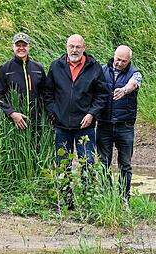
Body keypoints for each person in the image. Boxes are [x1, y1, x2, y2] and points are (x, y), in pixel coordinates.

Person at [44, 34, 109, 166]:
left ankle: (87, 187)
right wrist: (53, 112)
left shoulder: (94, 67)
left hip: (85, 125)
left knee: (87, 162)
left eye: (78, 47)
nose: (74, 50)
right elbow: (47, 93)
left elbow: (102, 95)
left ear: (84, 48)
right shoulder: (56, 66)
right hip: (61, 125)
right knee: (62, 163)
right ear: (66, 47)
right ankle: (64, 188)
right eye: (71, 46)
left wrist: (92, 114)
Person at [97, 45, 142, 203]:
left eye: (123, 61)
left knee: (125, 164)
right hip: (104, 125)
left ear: (129, 61)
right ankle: (107, 197)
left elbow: (133, 84)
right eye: (117, 59)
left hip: (125, 126)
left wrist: (124, 90)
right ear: (113, 56)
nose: (119, 63)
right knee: (103, 162)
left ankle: (124, 198)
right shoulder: (102, 70)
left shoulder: (135, 73)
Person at [0, 32, 46, 137]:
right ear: (13, 46)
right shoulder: (5, 69)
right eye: (18, 45)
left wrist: (44, 116)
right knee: (14, 152)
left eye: (24, 45)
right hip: (12, 123)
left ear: (29, 46)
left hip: (36, 122)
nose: (21, 48)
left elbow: (45, 93)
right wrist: (12, 113)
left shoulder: (38, 68)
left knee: (36, 151)